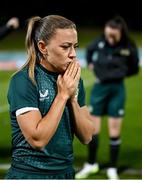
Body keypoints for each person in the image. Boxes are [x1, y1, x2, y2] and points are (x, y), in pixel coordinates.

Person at [5, 15, 95, 179]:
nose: (73, 54)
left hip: (65, 173)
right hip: (30, 174)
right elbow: (38, 140)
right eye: (65, 47)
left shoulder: (73, 80)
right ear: (43, 47)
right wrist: (62, 96)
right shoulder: (24, 80)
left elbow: (87, 135)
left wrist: (72, 97)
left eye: (75, 46)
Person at [75, 16, 139, 179]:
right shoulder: (100, 41)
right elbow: (89, 50)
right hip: (99, 89)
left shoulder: (129, 46)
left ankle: (112, 167)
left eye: (113, 35)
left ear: (120, 33)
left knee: (114, 131)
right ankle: (91, 164)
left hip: (117, 90)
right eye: (108, 34)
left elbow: (134, 68)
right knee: (93, 130)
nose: (109, 38)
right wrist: (90, 63)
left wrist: (120, 73)